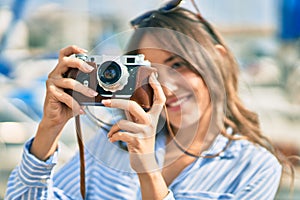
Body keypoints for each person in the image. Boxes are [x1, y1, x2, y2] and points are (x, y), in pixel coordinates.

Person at [5, 0, 292, 199]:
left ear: (217, 59)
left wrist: (147, 169)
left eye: (178, 64)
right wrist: (49, 131)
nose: (164, 85)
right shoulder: (112, 144)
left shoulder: (254, 168)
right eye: (149, 73)